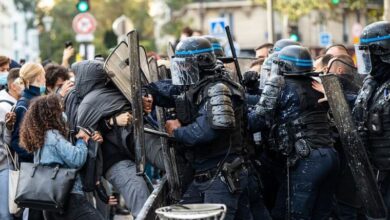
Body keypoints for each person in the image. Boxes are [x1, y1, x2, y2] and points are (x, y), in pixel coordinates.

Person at [148, 36, 250, 220]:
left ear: (200, 62)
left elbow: (206, 131)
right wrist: (148, 94)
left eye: (186, 64)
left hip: (221, 175)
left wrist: (176, 131)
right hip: (206, 174)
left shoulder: (218, 88)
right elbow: (170, 91)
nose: (182, 69)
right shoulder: (199, 85)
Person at [248, 45, 339, 219]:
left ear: (283, 66)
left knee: (293, 215)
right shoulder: (316, 83)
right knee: (322, 214)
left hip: (308, 160)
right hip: (330, 156)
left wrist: (239, 111)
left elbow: (258, 121)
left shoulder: (279, 83)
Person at [19, 94, 104, 220]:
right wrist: (82, 140)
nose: (63, 113)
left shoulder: (40, 137)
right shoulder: (53, 136)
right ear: (52, 114)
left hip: (50, 199)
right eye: (60, 109)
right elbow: (76, 159)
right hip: (69, 195)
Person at [353, 20, 390, 214]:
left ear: (381, 52)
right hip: (379, 167)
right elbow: (359, 112)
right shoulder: (373, 82)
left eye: (370, 54)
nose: (367, 61)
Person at [11, 63, 46, 163]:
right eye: (44, 75)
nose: (45, 78)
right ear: (39, 77)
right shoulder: (25, 104)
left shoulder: (36, 99)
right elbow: (17, 141)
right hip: (31, 167)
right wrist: (37, 156)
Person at [0, 68, 22, 220]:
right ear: (13, 85)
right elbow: (7, 141)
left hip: (7, 165)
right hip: (5, 165)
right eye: (23, 82)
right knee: (7, 212)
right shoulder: (5, 107)